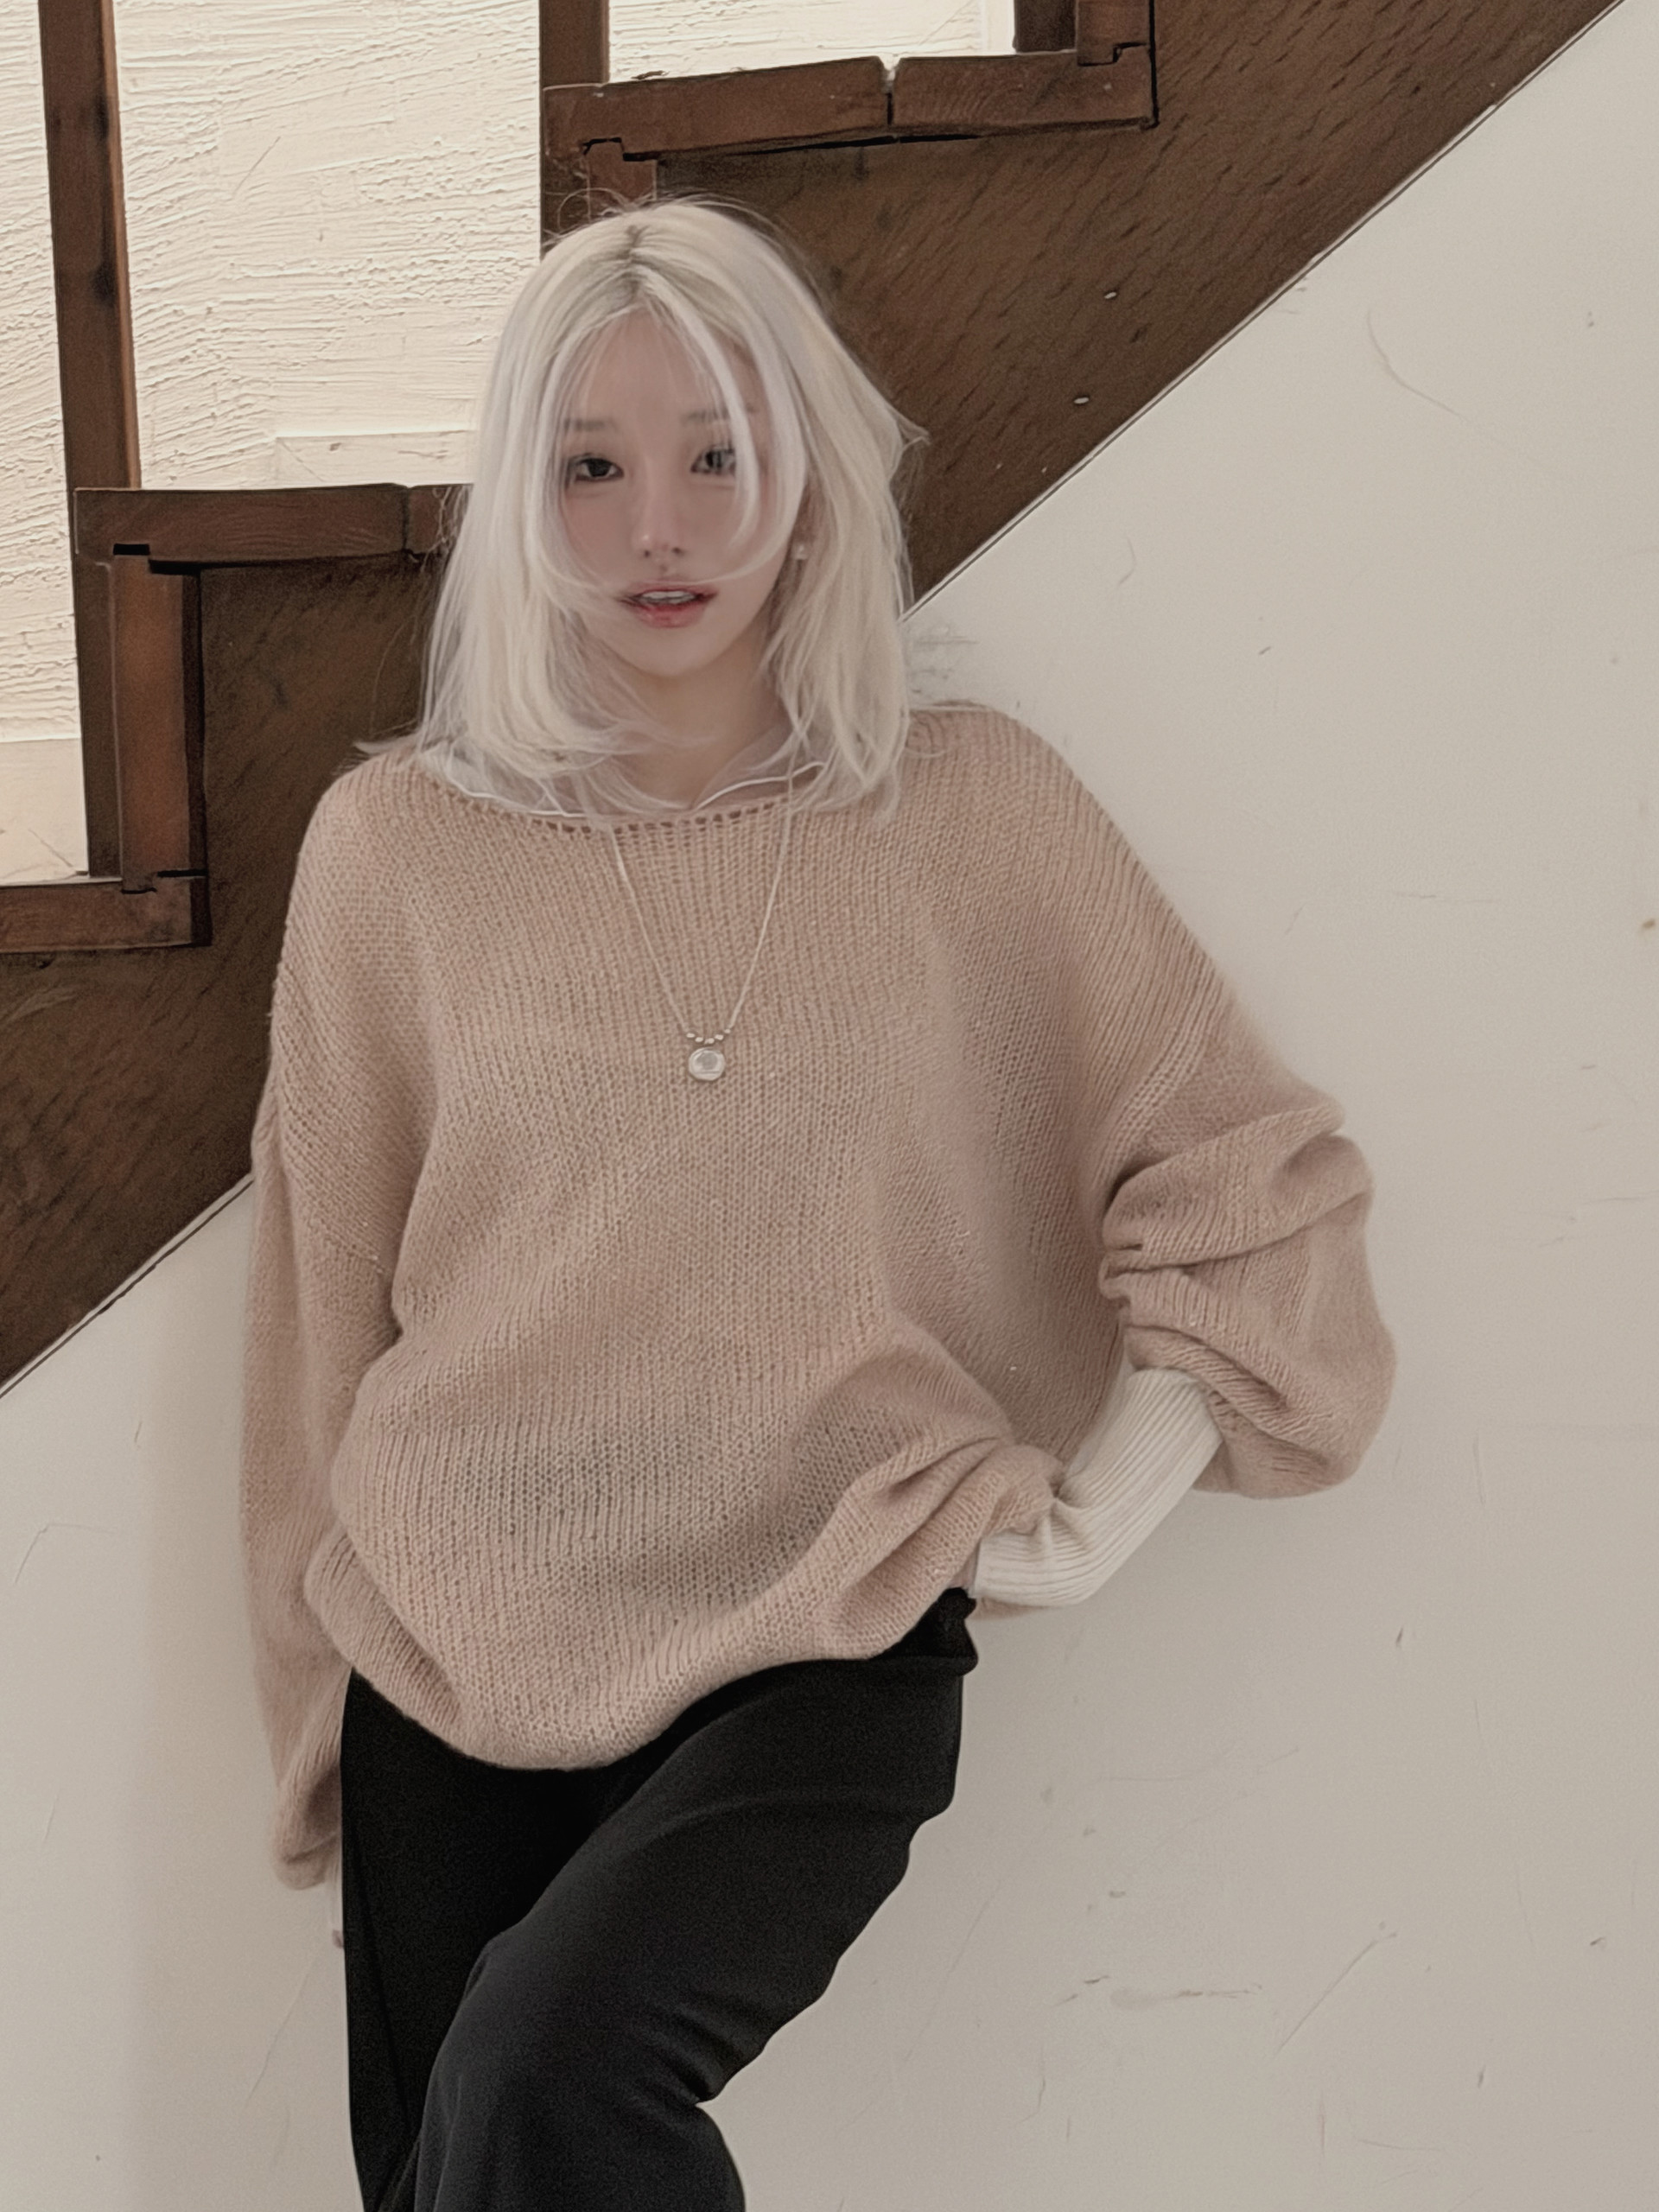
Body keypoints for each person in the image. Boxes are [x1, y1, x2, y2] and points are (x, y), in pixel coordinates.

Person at [238, 197, 1395, 2212]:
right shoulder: (394, 850)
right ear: (520, 499)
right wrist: (313, 1703)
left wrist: (1098, 1508)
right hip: (455, 1636)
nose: (659, 527)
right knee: (451, 2170)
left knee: (544, 2078)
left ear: (808, 474)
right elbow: (318, 1312)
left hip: (831, 1602)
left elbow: (1246, 1169)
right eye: (590, 468)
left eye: (717, 453)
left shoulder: (971, 809)